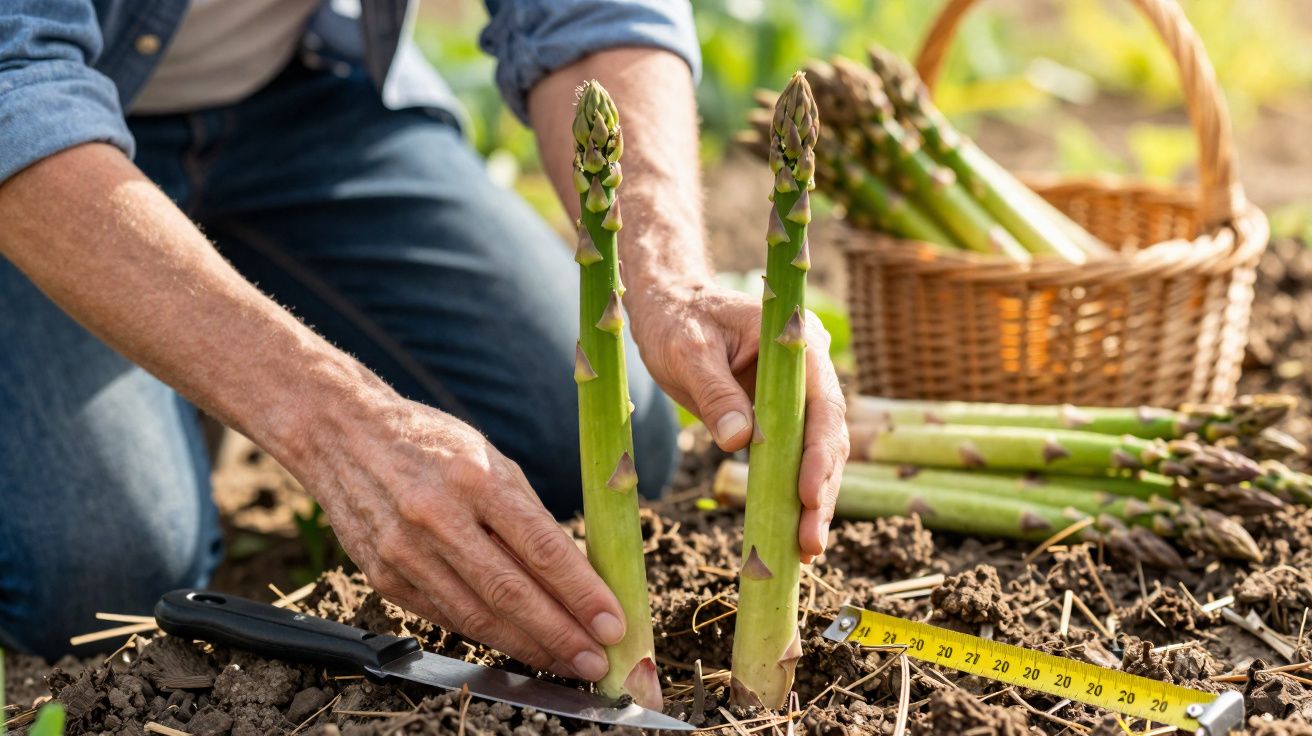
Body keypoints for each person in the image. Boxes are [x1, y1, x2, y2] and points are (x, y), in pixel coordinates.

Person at [0, 0, 848, 684]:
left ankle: (191, 349)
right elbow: (15, 79)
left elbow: (588, 15)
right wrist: (334, 423)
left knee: (570, 440)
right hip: (38, 156)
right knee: (104, 582)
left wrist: (668, 280)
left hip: (305, 102)